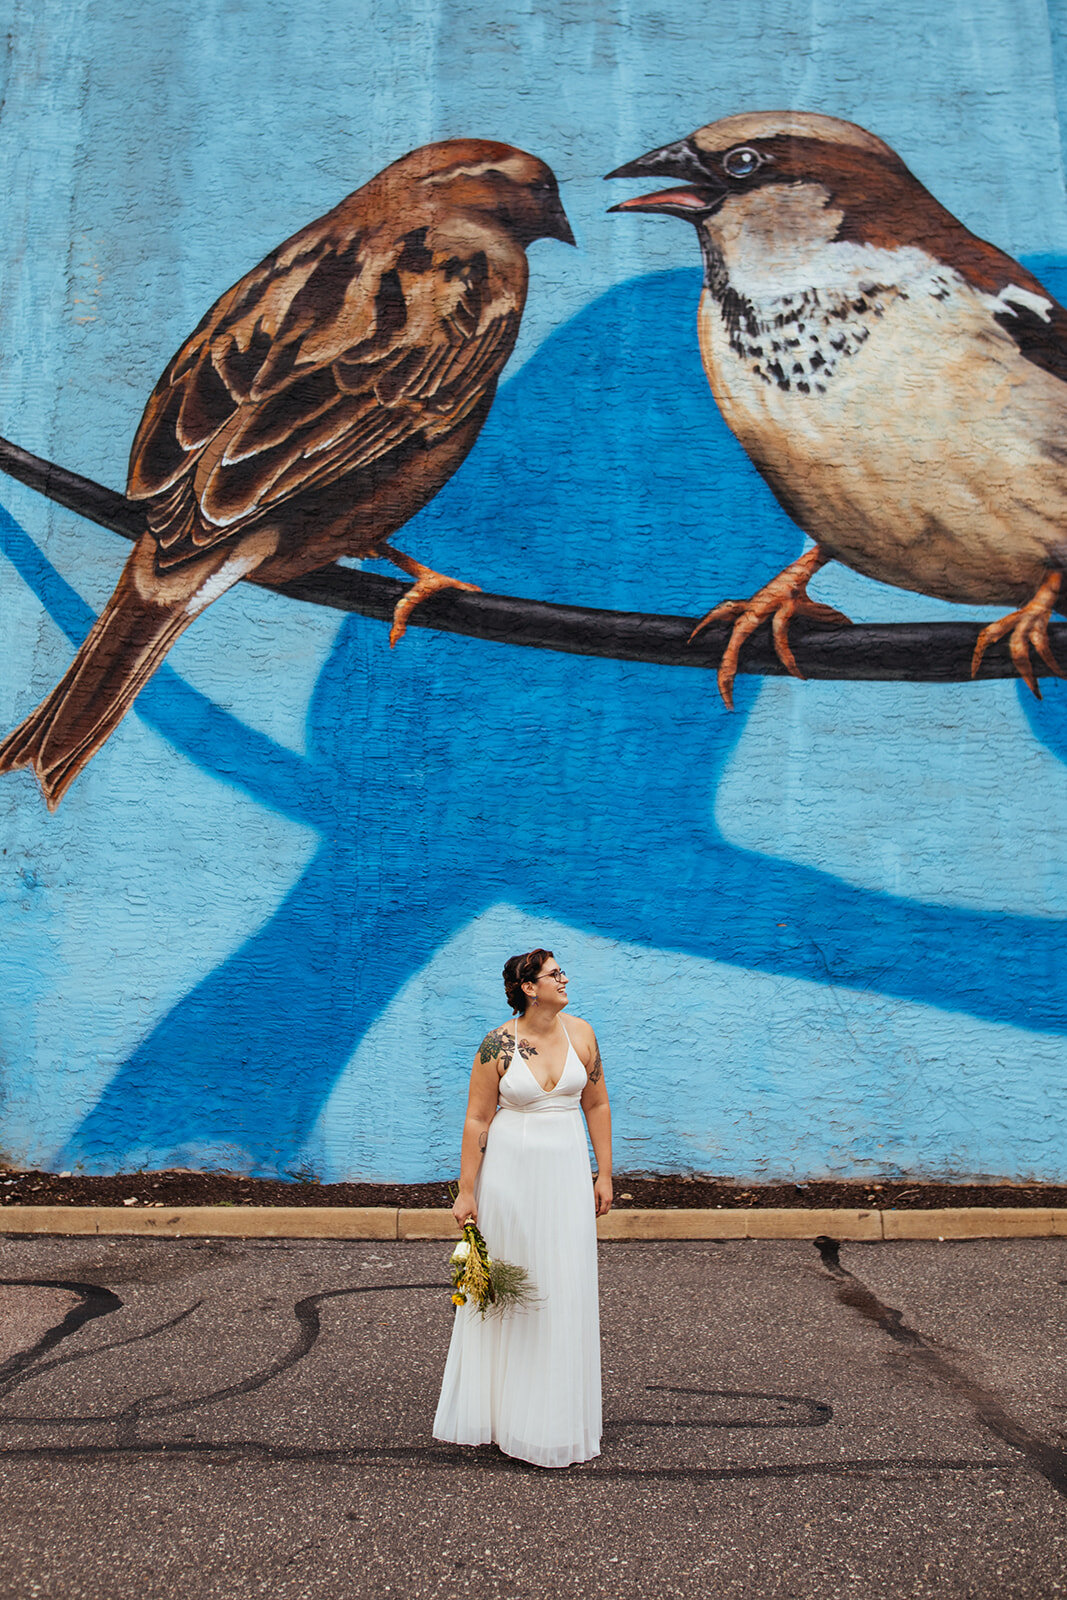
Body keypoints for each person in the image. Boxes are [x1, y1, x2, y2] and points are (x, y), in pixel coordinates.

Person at [433, 948, 612, 1468]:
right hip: (510, 1179)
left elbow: (596, 1104)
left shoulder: (583, 1034)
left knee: (564, 1284)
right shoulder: (497, 1045)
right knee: (515, 1290)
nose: (564, 978)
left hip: (565, 1177)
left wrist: (604, 1173)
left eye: (562, 970)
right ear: (529, 987)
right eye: (555, 973)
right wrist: (467, 1191)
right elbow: (476, 1120)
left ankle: (554, 1418)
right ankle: (502, 1414)